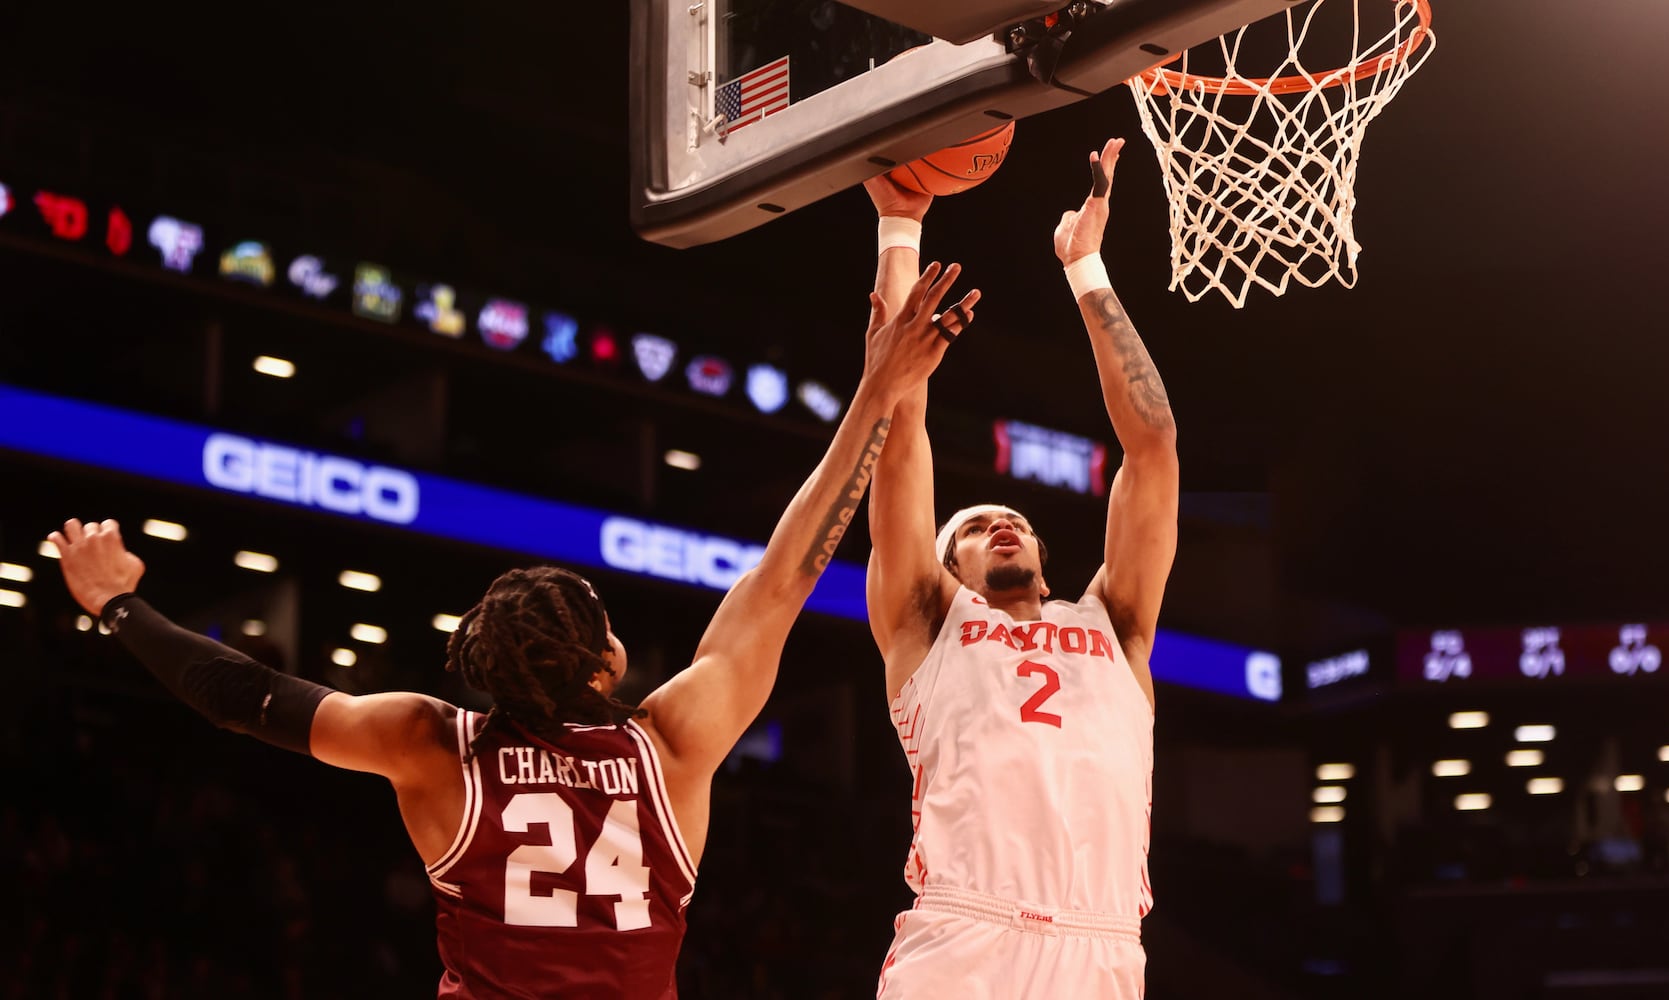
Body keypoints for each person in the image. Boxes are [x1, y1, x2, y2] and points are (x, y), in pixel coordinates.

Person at [48, 259, 978, 1000]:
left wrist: (120, 606)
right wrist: (875, 397)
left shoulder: (429, 744)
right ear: (605, 662)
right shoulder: (672, 744)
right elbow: (792, 573)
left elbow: (241, 697)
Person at [863, 138, 1178, 999]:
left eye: (1016, 522)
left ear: (1045, 558)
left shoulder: (1113, 625)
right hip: (967, 934)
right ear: (946, 568)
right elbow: (895, 430)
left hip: (1103, 942)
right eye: (971, 526)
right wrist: (899, 228)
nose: (999, 523)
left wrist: (1088, 270)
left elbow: (1151, 447)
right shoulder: (929, 625)